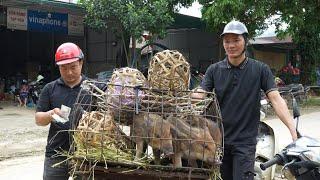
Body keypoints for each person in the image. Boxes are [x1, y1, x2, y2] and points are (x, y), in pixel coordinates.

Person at [193, 20, 297, 180]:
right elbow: (199, 94)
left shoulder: (260, 69)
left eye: (236, 40)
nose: (231, 45)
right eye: (227, 41)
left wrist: (292, 130)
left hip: (245, 142)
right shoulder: (214, 70)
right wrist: (175, 96)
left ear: (245, 41)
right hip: (219, 140)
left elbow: (276, 100)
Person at [35, 42, 86, 180]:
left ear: (81, 63)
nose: (69, 72)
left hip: (85, 155)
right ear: (58, 67)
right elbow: (38, 119)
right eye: (64, 68)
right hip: (55, 154)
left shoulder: (93, 89)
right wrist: (50, 114)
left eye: (73, 67)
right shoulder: (49, 89)